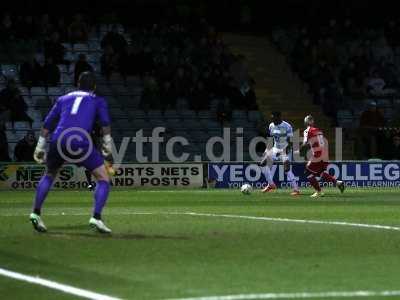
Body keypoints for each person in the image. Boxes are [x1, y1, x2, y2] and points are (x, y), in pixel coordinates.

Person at [30, 72, 113, 234]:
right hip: (79, 140)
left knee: (49, 174)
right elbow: (105, 124)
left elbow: (47, 123)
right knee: (103, 178)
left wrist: (39, 146)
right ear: (94, 86)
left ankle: (36, 213)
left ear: (77, 84)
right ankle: (96, 217)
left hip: (58, 139)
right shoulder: (97, 100)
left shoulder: (63, 99)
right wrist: (107, 146)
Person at [301, 115, 345, 197]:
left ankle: (319, 191)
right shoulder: (319, 131)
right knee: (321, 173)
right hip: (325, 154)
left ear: (305, 123)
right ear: (312, 122)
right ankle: (338, 183)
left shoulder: (307, 131)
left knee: (307, 172)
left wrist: (298, 150)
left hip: (317, 155)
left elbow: (304, 143)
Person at [259, 111, 300, 196]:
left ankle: (296, 189)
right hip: (275, 148)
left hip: (286, 148)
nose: (272, 120)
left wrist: (282, 151)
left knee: (286, 169)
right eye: (272, 118)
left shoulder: (287, 126)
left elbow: (291, 142)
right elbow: (271, 139)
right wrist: (268, 150)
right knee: (262, 163)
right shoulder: (271, 125)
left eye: (274, 118)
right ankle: (271, 184)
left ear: (279, 117)